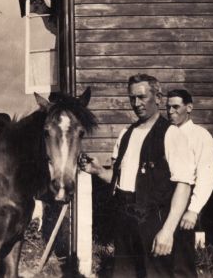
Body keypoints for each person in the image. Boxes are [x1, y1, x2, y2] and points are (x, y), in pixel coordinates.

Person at [79, 74, 195, 277]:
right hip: (126, 219)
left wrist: (167, 230)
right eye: (132, 98)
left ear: (158, 98)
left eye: (142, 97)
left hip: (155, 221)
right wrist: (98, 172)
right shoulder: (126, 133)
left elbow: (184, 185)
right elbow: (121, 181)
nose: (136, 103)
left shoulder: (171, 134)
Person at [166, 89, 213, 277]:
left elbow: (206, 175)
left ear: (189, 108)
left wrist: (193, 210)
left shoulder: (200, 136)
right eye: (168, 107)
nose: (170, 111)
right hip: (162, 199)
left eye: (176, 107)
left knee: (181, 260)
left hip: (185, 199)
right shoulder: (165, 133)